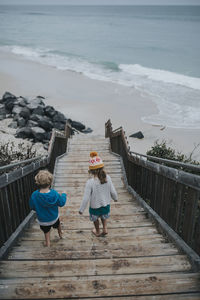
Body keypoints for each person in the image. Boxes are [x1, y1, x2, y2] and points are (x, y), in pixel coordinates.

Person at [79, 151, 118, 236]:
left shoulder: (90, 182)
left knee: (95, 219)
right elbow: (113, 191)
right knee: (104, 217)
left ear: (91, 171)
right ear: (102, 167)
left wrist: (81, 209)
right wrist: (115, 198)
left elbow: (86, 198)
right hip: (105, 206)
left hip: (94, 208)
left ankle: (97, 231)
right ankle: (105, 228)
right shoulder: (108, 178)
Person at [29, 170, 67, 247]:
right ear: (50, 183)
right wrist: (64, 195)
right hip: (54, 218)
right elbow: (61, 203)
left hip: (43, 221)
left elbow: (32, 207)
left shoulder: (34, 195)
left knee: (46, 231)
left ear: (38, 183)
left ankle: (48, 243)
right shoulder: (54, 194)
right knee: (58, 223)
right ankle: (60, 234)